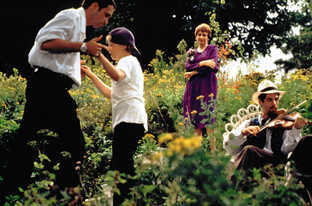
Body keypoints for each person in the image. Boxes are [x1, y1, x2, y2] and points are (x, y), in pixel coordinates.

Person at [0, 0, 116, 197]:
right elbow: (46, 43)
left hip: (48, 85)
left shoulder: (78, 26)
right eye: (106, 14)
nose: (106, 21)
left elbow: (56, 52)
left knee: (29, 140)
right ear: (94, 6)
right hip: (48, 86)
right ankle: (64, 195)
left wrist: (71, 66)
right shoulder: (71, 16)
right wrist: (83, 48)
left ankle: (14, 190)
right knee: (74, 143)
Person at [81, 27, 148, 205]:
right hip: (130, 120)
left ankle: (124, 202)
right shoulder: (128, 63)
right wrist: (90, 74)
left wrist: (99, 56)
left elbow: (117, 76)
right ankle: (127, 200)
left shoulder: (128, 60)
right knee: (121, 164)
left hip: (129, 120)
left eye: (111, 44)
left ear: (124, 46)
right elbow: (110, 93)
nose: (108, 48)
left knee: (121, 166)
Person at [223, 80, 312, 196]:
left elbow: (286, 149)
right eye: (270, 100)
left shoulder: (284, 121)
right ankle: (230, 194)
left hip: (276, 163)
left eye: (276, 99)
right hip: (254, 163)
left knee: (309, 140)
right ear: (260, 101)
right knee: (249, 150)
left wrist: (296, 129)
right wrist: (243, 133)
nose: (274, 104)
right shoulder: (249, 123)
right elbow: (228, 148)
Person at [183, 23, 219, 137]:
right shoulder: (191, 52)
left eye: (204, 34)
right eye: (199, 34)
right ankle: (196, 152)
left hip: (208, 85)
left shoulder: (212, 49)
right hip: (194, 87)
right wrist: (203, 63)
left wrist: (194, 72)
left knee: (208, 118)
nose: (201, 37)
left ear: (208, 36)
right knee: (196, 118)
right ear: (196, 37)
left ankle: (213, 153)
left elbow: (213, 67)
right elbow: (187, 66)